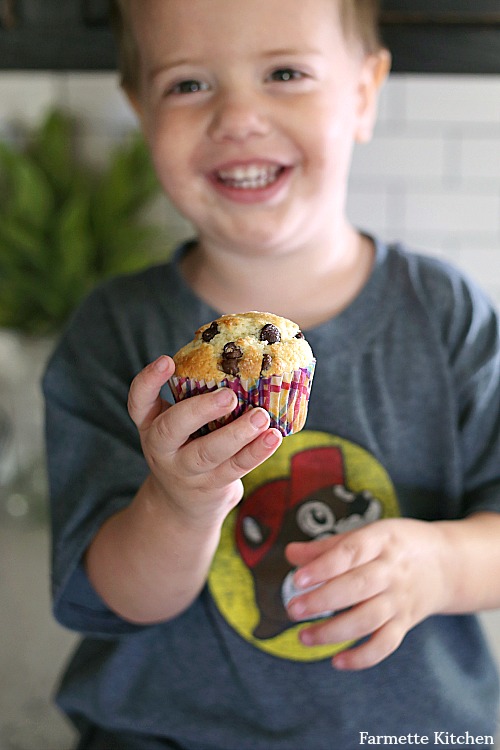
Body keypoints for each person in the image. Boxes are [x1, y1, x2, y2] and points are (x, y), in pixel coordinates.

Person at [43, 0, 500, 748]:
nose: (237, 116)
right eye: (189, 84)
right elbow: (114, 600)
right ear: (140, 107)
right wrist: (180, 503)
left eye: (285, 72)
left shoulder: (449, 316)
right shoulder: (113, 333)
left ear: (363, 92)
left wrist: (442, 566)